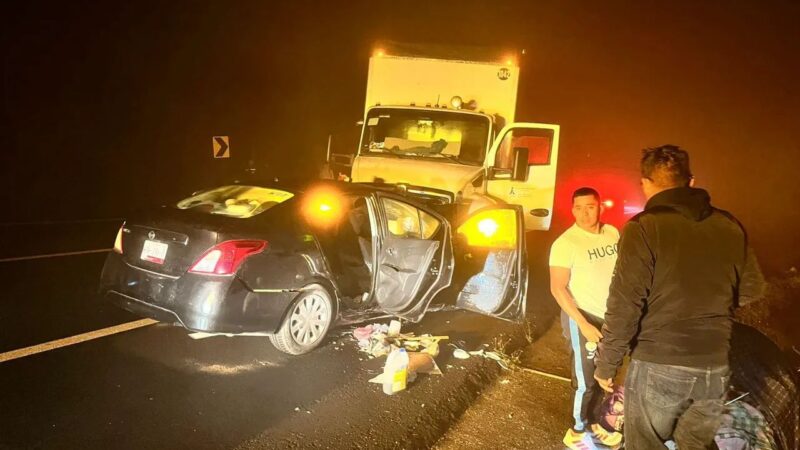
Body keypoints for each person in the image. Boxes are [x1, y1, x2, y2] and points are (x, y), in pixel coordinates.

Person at [593, 145, 765, 449]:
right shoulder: (729, 225)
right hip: (715, 367)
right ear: (692, 181)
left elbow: (625, 304)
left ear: (645, 183)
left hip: (660, 362)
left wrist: (607, 364)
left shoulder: (644, 228)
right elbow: (752, 288)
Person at [550, 187, 624, 449]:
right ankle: (577, 428)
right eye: (578, 208)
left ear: (600, 207)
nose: (584, 213)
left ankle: (595, 421)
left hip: (611, 317)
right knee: (585, 379)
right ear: (572, 210)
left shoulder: (612, 233)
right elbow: (557, 288)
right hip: (582, 316)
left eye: (590, 206)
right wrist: (583, 323)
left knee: (607, 374)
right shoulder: (566, 243)